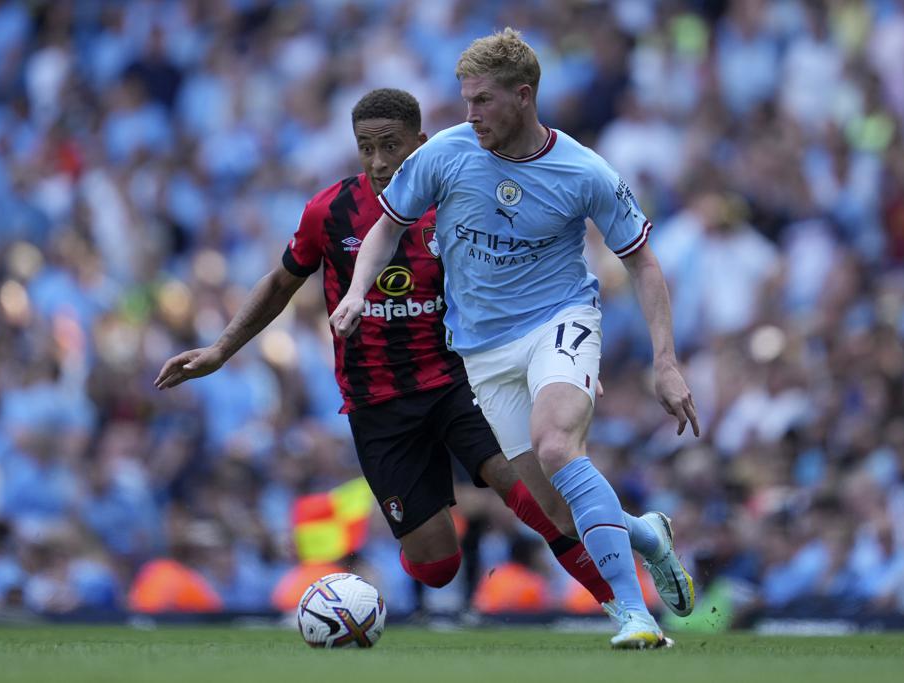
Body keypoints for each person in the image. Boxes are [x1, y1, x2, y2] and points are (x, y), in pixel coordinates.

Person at [156, 88, 622, 610]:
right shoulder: (329, 212)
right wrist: (221, 349)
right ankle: (438, 523)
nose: (379, 162)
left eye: (391, 147)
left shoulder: (460, 204)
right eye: (366, 148)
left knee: (532, 496)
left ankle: (624, 606)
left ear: (420, 144)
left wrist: (568, 358)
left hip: (456, 382)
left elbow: (522, 283)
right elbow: (281, 283)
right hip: (378, 403)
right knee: (437, 565)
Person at [330, 31, 699, 648]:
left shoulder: (585, 171)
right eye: (466, 100)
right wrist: (356, 290)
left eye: (482, 101)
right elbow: (385, 229)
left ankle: (637, 617)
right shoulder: (446, 153)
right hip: (481, 349)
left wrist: (665, 362)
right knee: (555, 509)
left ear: (523, 97)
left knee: (556, 444)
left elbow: (644, 263)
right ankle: (647, 535)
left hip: (560, 320)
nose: (469, 114)